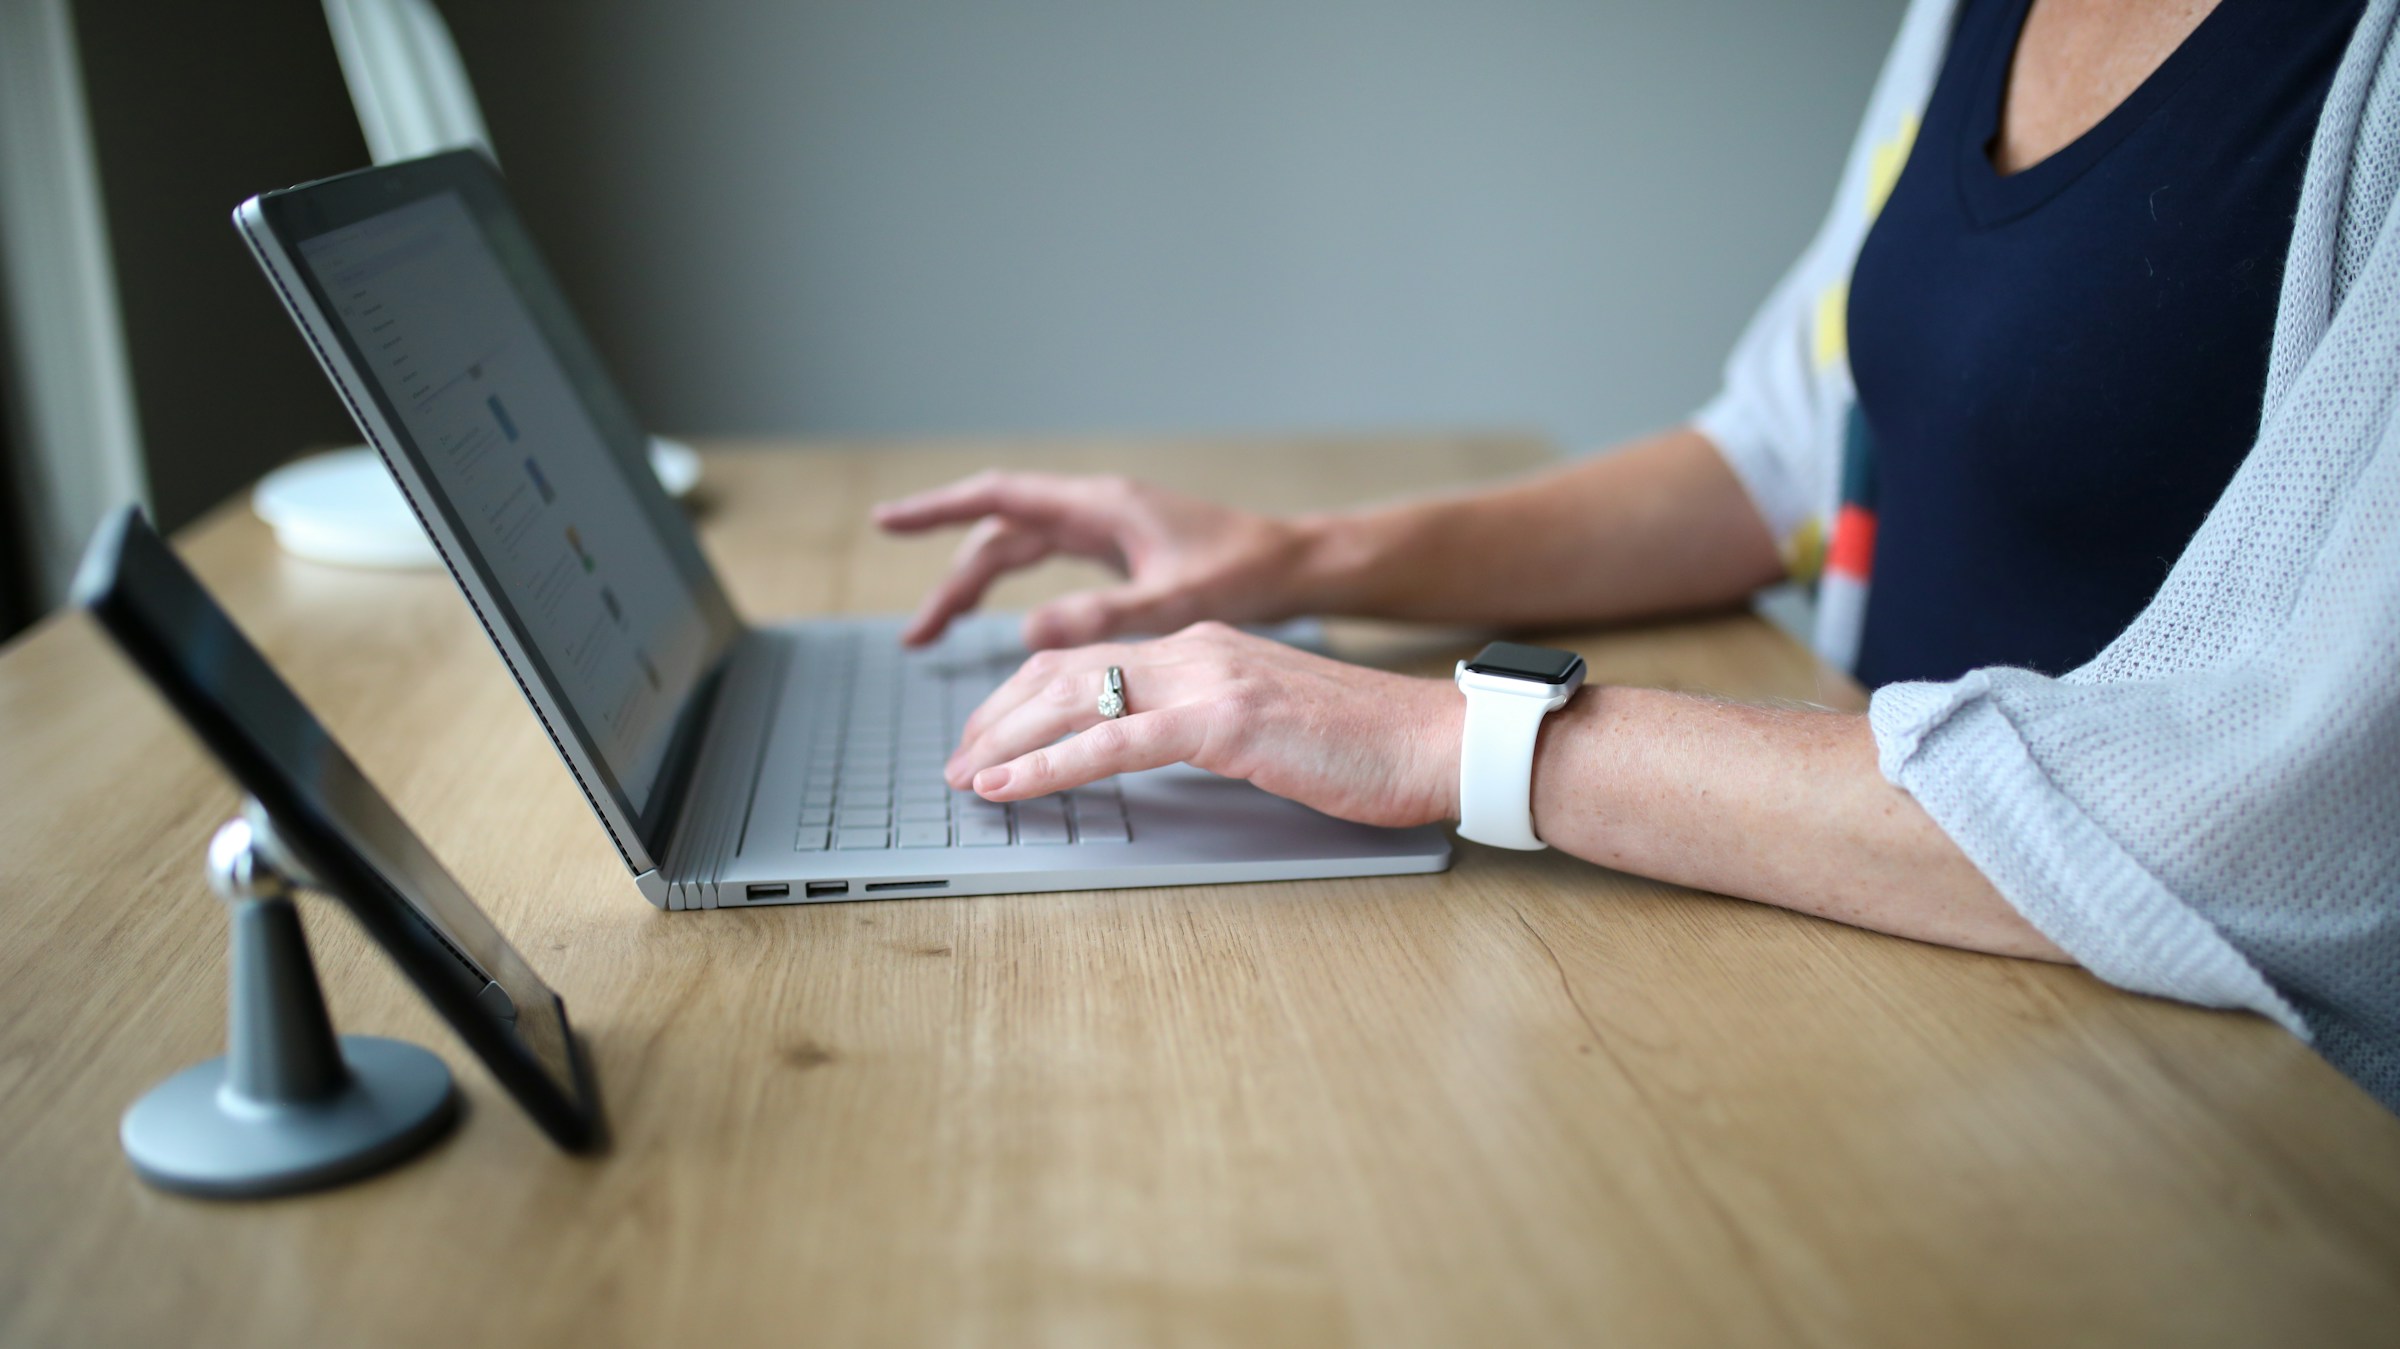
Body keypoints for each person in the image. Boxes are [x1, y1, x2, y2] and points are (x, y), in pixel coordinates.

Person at [874, 0, 2400, 1111]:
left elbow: (2268, 807)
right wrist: (1294, 557)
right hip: (1872, 964)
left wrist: (1453, 736)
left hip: (2180, 1109)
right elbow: (1792, 453)